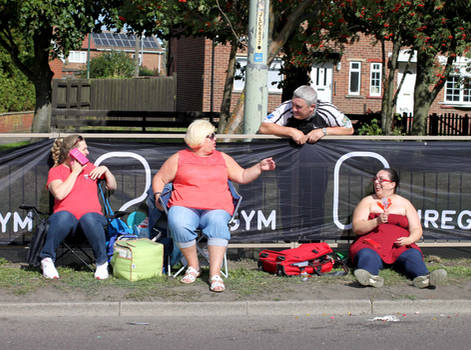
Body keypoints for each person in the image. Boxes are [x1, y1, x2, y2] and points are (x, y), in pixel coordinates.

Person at [152, 119, 276, 292]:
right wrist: (158, 196)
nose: (215, 139)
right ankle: (193, 266)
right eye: (210, 136)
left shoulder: (222, 158)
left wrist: (259, 167)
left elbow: (242, 175)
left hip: (217, 207)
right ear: (199, 138)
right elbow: (160, 178)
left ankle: (214, 273)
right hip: (185, 205)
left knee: (218, 222)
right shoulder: (179, 158)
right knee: (177, 220)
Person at [350, 168, 447, 288]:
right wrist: (376, 221)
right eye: (375, 179)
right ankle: (370, 277)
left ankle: (424, 278)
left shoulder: (404, 203)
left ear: (392, 184)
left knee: (412, 255)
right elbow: (357, 227)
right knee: (367, 254)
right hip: (372, 244)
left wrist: (410, 239)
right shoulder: (368, 201)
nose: (376, 182)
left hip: (399, 246)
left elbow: (416, 229)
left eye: (381, 180)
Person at [39, 135, 117, 280]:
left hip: (92, 221)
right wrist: (75, 172)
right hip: (65, 223)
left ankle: (101, 263)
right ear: (72, 153)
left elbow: (112, 186)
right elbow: (60, 194)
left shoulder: (91, 168)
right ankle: (47, 260)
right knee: (64, 215)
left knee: (89, 217)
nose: (87, 152)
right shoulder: (56, 171)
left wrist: (106, 170)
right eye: (84, 149)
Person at [258, 85, 354, 145]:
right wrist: (291, 132)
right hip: (289, 159)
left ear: (312, 107)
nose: (293, 109)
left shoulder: (327, 110)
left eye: (298, 107)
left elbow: (349, 129)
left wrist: (323, 131)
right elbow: (264, 127)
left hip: (319, 161)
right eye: (292, 104)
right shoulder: (286, 107)